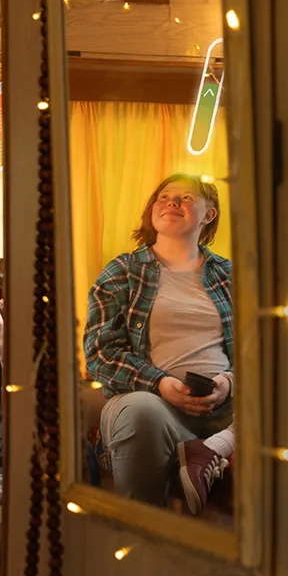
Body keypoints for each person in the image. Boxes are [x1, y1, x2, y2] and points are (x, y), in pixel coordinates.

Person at [84, 173, 235, 514]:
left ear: (208, 214)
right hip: (154, 405)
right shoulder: (122, 272)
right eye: (164, 197)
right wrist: (160, 383)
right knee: (140, 411)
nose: (171, 203)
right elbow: (100, 353)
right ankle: (138, 543)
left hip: (228, 411)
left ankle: (211, 449)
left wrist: (229, 383)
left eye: (185, 198)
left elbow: (261, 353)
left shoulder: (230, 276)